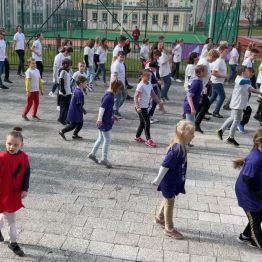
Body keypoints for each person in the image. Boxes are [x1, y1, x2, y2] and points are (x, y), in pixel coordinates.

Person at [152, 120, 195, 239]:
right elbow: (164, 165)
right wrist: (157, 179)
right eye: (191, 133)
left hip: (173, 180)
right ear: (182, 133)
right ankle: (169, 228)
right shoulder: (177, 150)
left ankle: (160, 218)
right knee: (170, 202)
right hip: (168, 181)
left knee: (168, 199)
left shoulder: (181, 147)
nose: (193, 135)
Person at [0, 127, 30, 257]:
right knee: (11, 221)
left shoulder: (24, 157)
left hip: (13, 193)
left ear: (21, 145)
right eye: (9, 144)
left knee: (6, 213)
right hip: (2, 192)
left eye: (15, 145)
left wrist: (25, 188)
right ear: (5, 143)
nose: (12, 147)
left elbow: (26, 173)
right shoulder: (1, 157)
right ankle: (13, 243)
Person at [217, 66, 262, 147]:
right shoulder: (239, 78)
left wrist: (259, 92)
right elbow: (243, 82)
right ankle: (230, 137)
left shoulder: (245, 80)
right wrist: (250, 77)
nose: (248, 72)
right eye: (246, 71)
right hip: (238, 103)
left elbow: (251, 89)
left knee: (232, 118)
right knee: (237, 120)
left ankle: (221, 130)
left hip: (240, 103)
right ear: (242, 72)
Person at [234, 128, 262, 250]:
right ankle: (258, 242)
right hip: (247, 193)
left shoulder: (259, 154)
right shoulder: (255, 159)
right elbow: (247, 179)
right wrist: (258, 193)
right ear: (259, 142)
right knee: (254, 218)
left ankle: (245, 235)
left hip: (255, 190)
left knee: (259, 214)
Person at [88, 80, 124, 168]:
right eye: (119, 90)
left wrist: (113, 116)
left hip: (104, 120)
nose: (119, 92)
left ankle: (92, 153)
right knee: (107, 140)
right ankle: (104, 158)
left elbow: (108, 109)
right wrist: (99, 119)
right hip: (104, 122)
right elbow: (102, 108)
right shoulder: (109, 96)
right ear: (116, 88)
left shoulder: (108, 94)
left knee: (100, 138)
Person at [134, 69, 164, 148]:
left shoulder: (149, 83)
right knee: (147, 122)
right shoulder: (140, 85)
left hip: (145, 106)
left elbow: (153, 94)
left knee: (142, 122)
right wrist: (137, 107)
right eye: (147, 76)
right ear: (141, 76)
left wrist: (159, 101)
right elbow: (135, 97)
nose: (148, 77)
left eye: (149, 76)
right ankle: (148, 140)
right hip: (140, 107)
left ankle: (137, 137)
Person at [195, 49, 220, 133]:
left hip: (203, 86)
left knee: (202, 105)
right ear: (212, 56)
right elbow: (199, 75)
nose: (215, 60)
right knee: (205, 105)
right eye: (215, 58)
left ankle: (194, 122)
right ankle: (196, 123)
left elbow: (205, 75)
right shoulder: (204, 63)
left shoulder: (205, 62)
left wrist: (207, 82)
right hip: (200, 87)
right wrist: (202, 88)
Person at [59, 75, 87, 140]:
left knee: (80, 123)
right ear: (81, 84)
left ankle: (75, 134)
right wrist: (83, 110)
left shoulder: (77, 89)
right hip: (75, 111)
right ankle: (62, 131)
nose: (86, 84)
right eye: (85, 83)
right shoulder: (79, 92)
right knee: (73, 125)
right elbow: (78, 104)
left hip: (75, 110)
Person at [209, 45, 228, 118]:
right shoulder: (219, 61)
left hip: (217, 81)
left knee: (213, 97)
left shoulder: (222, 60)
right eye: (225, 51)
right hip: (217, 82)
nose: (226, 53)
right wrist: (224, 76)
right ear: (221, 51)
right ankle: (216, 112)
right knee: (222, 96)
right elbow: (214, 72)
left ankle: (204, 108)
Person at [111, 51, 126, 118]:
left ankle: (114, 109)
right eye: (121, 57)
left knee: (124, 96)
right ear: (117, 56)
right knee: (117, 98)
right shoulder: (116, 64)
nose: (122, 58)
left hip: (122, 84)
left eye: (123, 57)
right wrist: (116, 87)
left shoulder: (121, 63)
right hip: (117, 84)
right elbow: (115, 76)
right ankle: (114, 111)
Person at [57, 59, 72, 125]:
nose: (70, 66)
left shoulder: (67, 71)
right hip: (64, 93)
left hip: (68, 92)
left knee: (67, 106)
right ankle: (61, 119)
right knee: (64, 107)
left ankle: (64, 118)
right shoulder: (63, 71)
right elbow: (61, 81)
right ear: (65, 64)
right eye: (69, 64)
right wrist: (63, 91)